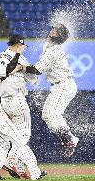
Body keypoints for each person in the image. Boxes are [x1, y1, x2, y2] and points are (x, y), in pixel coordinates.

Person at [0, 45, 46, 180]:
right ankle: (33, 172)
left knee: (4, 144)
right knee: (18, 140)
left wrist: (11, 70)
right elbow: (7, 68)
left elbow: (0, 76)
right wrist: (17, 54)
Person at [20, 23, 79, 157]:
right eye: (54, 28)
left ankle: (70, 139)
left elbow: (37, 70)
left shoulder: (55, 50)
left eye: (56, 30)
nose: (52, 30)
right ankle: (68, 139)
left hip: (63, 85)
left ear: (58, 35)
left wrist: (21, 68)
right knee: (47, 115)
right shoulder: (48, 46)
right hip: (59, 86)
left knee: (52, 114)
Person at [0, 34, 38, 178]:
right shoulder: (19, 57)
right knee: (24, 135)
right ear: (19, 45)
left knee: (16, 138)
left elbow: (0, 74)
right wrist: (24, 67)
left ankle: (19, 169)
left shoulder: (1, 56)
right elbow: (35, 75)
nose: (24, 49)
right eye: (23, 46)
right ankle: (11, 161)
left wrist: (23, 68)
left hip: (3, 102)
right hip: (16, 99)